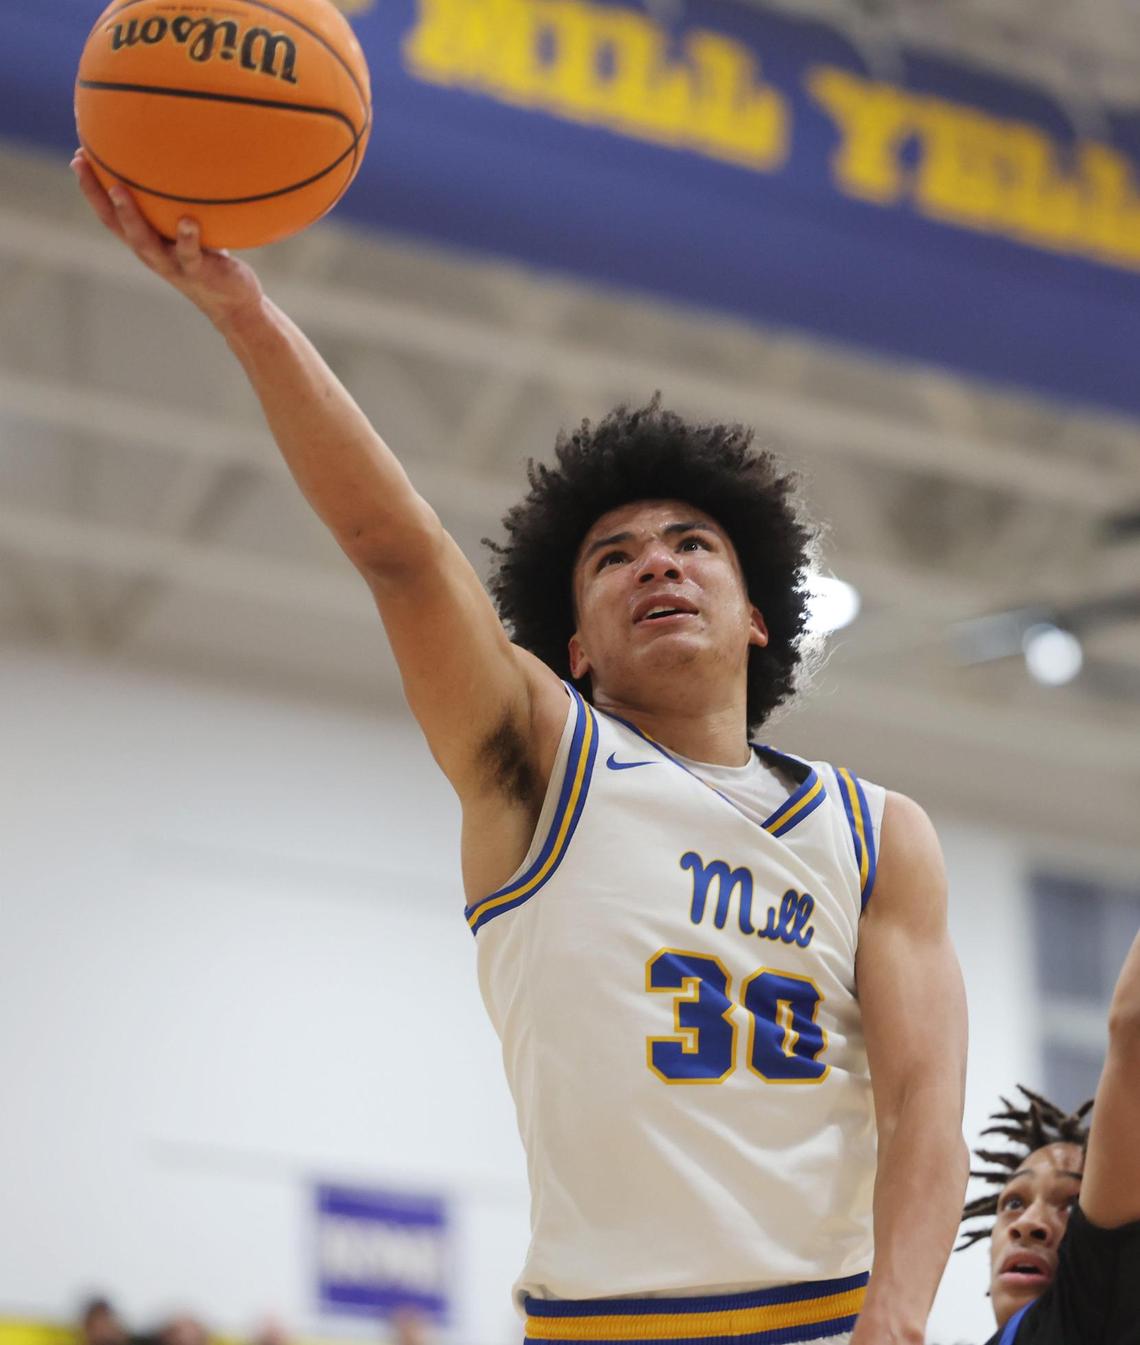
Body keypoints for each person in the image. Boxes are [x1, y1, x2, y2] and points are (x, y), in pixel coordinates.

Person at [72, 154, 969, 1345]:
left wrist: (898, 1325)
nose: (657, 562)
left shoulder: (877, 832)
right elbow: (398, 547)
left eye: (693, 543)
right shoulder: (541, 758)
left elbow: (924, 1104)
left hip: (831, 1322)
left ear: (758, 614)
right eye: (614, 557)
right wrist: (246, 311)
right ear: (575, 647)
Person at [957, 930, 1140, 1344]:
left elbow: (1134, 1025)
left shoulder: (1090, 1309)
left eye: (1071, 1204)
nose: (1029, 1224)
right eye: (1014, 1203)